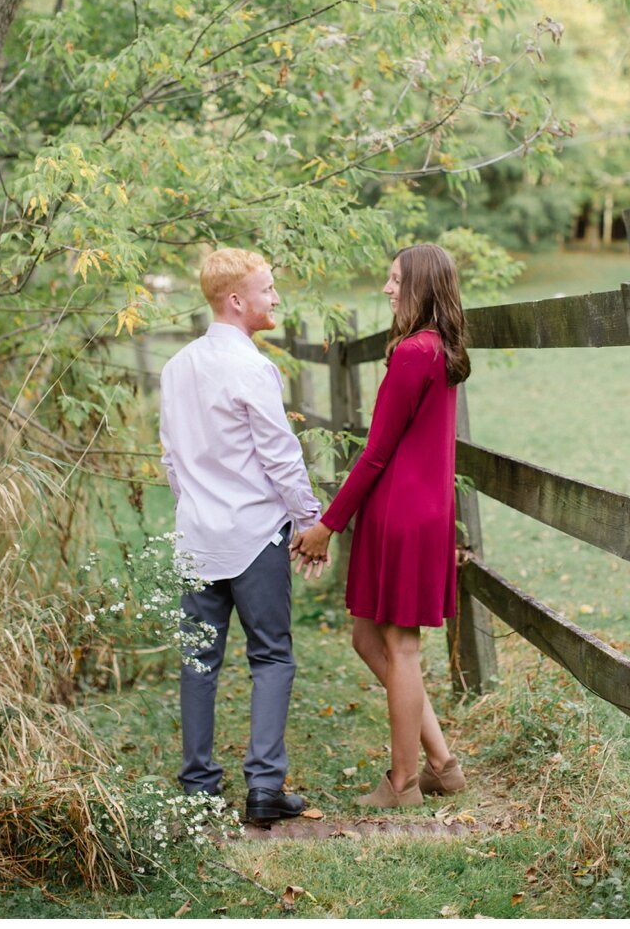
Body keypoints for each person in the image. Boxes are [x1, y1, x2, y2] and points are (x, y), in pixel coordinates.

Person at [293, 244, 470, 809]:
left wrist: (328, 524)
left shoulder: (416, 353)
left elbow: (375, 453)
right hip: (411, 508)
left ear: (419, 285)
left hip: (404, 513)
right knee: (368, 637)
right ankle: (442, 764)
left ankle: (402, 785)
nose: (388, 289)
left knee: (401, 647)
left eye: (395, 280)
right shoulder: (434, 348)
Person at [159, 248, 317, 824]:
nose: (275, 298)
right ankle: (264, 788)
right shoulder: (252, 368)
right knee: (271, 656)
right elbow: (280, 455)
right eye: (268, 288)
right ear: (236, 300)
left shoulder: (176, 368)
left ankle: (199, 785)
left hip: (197, 534)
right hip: (254, 535)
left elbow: (172, 460)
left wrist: (196, 510)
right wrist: (307, 519)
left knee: (198, 661)